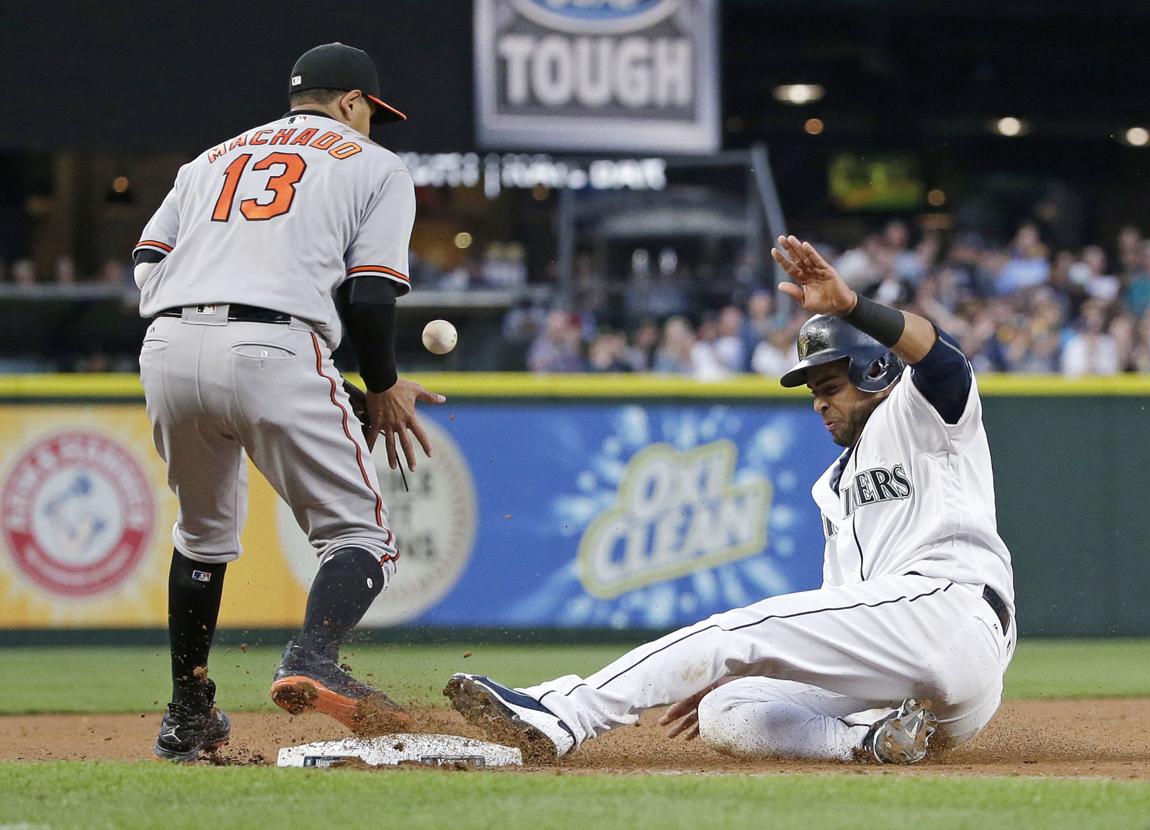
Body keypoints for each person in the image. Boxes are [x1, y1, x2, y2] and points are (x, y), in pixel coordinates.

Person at [445, 235, 1015, 765]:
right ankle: (870, 745)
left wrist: (852, 306)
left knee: (739, 632)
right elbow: (844, 615)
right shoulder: (834, 487)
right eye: (814, 393)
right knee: (727, 708)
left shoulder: (920, 410)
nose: (819, 404)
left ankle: (565, 713)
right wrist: (759, 673)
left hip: (953, 612)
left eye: (831, 387)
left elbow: (945, 358)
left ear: (874, 372)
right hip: (923, 682)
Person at [134, 43, 444, 762]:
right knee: (361, 538)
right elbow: (372, 293)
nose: (372, 124)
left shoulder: (210, 160)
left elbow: (148, 257)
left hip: (168, 346)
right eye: (371, 112)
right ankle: (311, 656)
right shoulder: (374, 166)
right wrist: (384, 384)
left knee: (201, 538)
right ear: (350, 103)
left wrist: (184, 310)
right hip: (276, 345)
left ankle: (187, 713)